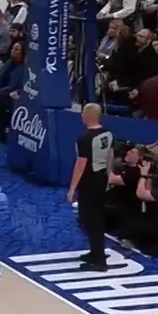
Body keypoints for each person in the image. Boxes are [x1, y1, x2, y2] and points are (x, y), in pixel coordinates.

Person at [68, 103, 115, 272]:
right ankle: (95, 252)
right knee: (96, 216)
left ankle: (99, 260)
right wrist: (109, 175)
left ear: (87, 115)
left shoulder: (85, 138)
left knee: (90, 219)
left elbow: (81, 165)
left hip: (89, 181)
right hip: (101, 178)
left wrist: (72, 189)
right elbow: (110, 155)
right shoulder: (107, 133)